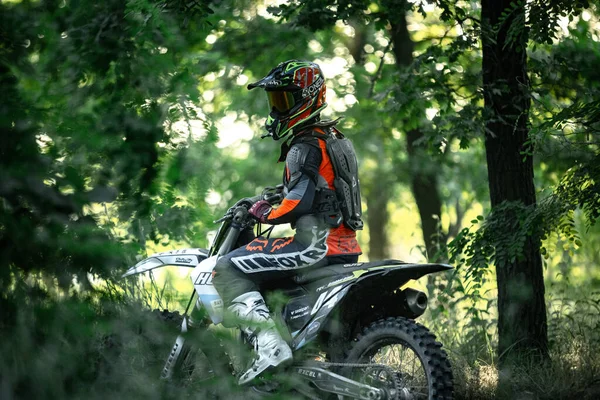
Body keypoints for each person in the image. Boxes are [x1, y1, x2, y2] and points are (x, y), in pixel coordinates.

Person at [212, 59, 363, 384]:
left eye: (284, 100)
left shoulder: (303, 146)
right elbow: (320, 189)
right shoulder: (333, 139)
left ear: (307, 98)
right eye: (275, 101)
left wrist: (262, 213)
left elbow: (301, 202)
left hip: (312, 247)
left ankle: (269, 347)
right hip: (346, 248)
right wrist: (269, 196)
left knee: (226, 267)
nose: (278, 109)